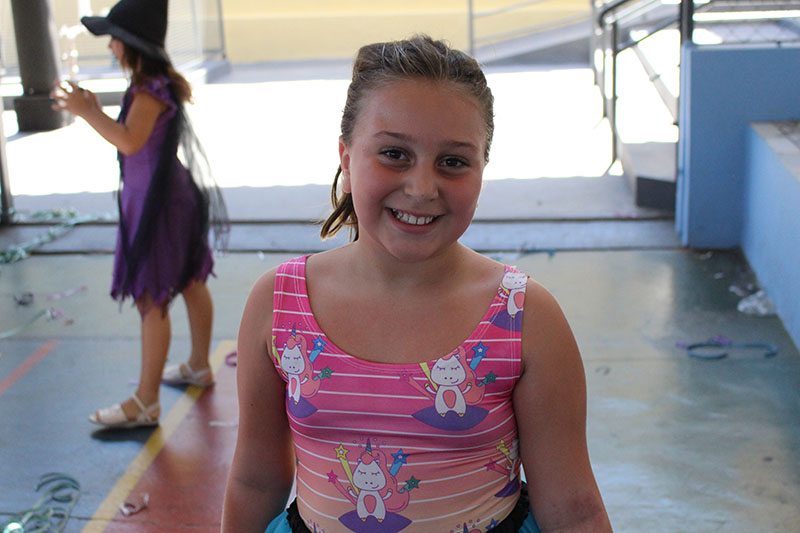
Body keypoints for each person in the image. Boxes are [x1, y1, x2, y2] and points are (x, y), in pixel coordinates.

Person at [222, 35, 611, 532]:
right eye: (394, 154)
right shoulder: (279, 303)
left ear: (482, 169)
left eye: (453, 162)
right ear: (346, 156)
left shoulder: (525, 317)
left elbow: (573, 509)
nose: (422, 188)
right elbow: (255, 482)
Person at [52, 0, 227, 429]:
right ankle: (198, 365)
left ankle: (145, 402)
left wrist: (88, 112)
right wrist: (95, 110)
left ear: (132, 45)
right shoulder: (154, 84)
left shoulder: (149, 90)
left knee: (151, 297)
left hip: (158, 206)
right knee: (190, 280)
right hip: (168, 197)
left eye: (115, 39)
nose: (110, 46)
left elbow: (130, 141)